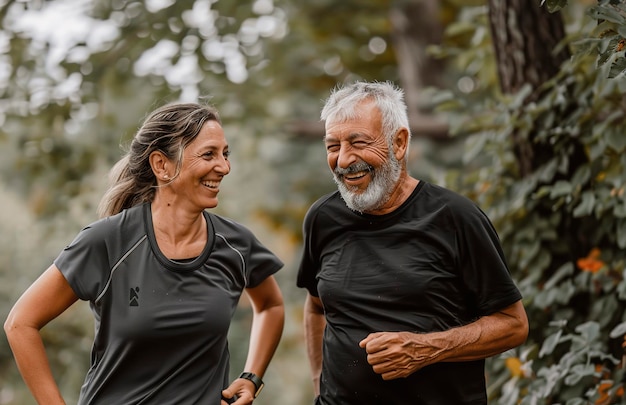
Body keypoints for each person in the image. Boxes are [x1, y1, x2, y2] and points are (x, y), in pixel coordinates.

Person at [4, 102, 285, 405]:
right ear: (161, 165)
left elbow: (271, 305)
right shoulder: (108, 242)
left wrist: (251, 378)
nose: (224, 167)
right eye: (208, 154)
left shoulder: (236, 245)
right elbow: (20, 324)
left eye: (225, 154)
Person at [297, 81, 529, 405]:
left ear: (400, 142)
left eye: (358, 142)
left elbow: (513, 325)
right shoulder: (323, 218)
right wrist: (319, 388)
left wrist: (425, 349)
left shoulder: (456, 218)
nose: (344, 160)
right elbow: (317, 305)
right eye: (332, 146)